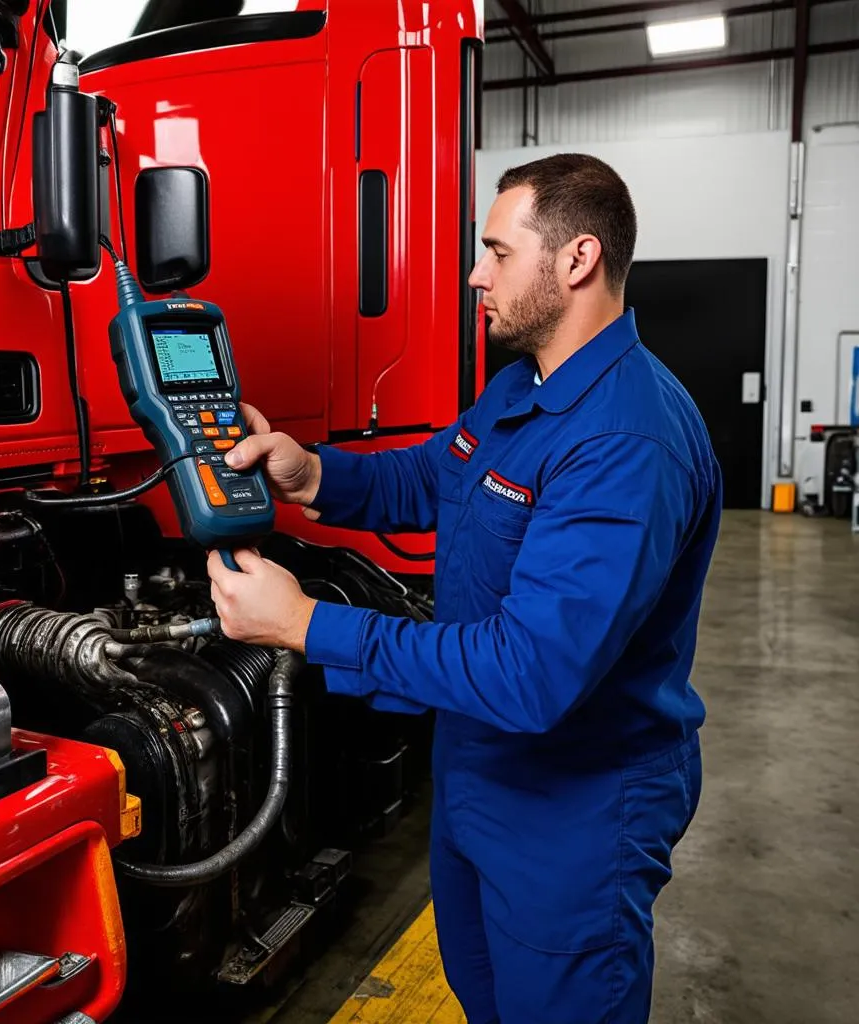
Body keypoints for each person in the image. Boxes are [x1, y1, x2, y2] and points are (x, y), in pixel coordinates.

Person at [206, 153, 721, 1023]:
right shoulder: (525, 385)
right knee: (485, 996)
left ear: (576, 260)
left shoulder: (626, 441)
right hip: (483, 769)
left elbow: (530, 670)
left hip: (576, 808)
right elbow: (436, 476)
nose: (475, 274)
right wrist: (311, 475)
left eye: (496, 251)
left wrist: (306, 624)